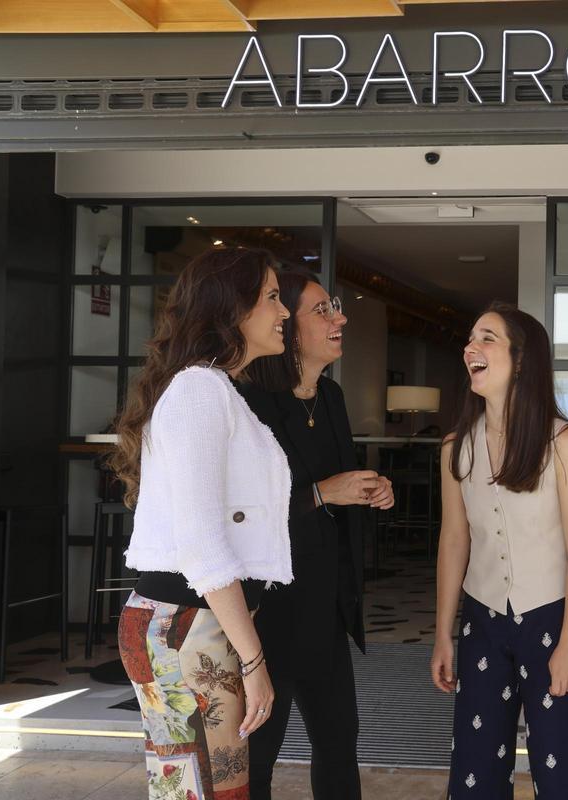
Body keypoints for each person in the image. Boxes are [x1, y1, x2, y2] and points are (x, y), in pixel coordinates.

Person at [111, 247, 293, 800]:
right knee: (205, 794)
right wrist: (254, 658)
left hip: (193, 623)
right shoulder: (198, 391)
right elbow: (203, 544)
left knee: (204, 791)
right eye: (272, 298)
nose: (283, 312)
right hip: (186, 625)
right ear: (232, 309)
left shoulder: (213, 390)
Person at [430, 301, 568, 799]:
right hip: (481, 621)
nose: (471, 348)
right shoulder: (456, 445)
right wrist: (443, 633)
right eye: (470, 337)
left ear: (522, 360)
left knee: (563, 769)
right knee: (475, 769)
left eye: (487, 338)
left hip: (551, 621)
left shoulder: (562, 441)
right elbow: (453, 540)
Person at [240, 271, 394, 799]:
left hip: (325, 604)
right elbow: (239, 511)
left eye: (337, 307)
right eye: (323, 310)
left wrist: (371, 489)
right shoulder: (250, 400)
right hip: (268, 612)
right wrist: (325, 492)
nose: (340, 318)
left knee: (338, 743)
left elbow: (337, 486)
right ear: (291, 330)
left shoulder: (330, 396)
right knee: (257, 755)